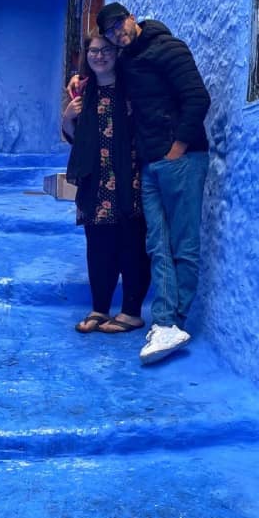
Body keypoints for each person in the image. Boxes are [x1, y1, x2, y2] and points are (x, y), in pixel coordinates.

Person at [92, 1, 211, 365]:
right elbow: (106, 73)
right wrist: (81, 79)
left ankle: (173, 321)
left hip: (182, 160)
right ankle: (163, 323)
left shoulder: (169, 48)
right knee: (156, 243)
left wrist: (177, 147)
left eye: (119, 25)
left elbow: (197, 98)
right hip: (151, 163)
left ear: (132, 17)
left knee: (183, 243)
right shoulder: (126, 60)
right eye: (110, 31)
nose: (117, 34)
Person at [62, 33, 151, 334]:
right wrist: (66, 120)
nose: (99, 56)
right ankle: (99, 309)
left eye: (106, 50)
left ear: (117, 53)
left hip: (130, 179)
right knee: (98, 247)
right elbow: (78, 140)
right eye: (93, 51)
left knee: (132, 245)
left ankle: (131, 312)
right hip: (96, 183)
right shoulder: (82, 93)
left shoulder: (131, 87)